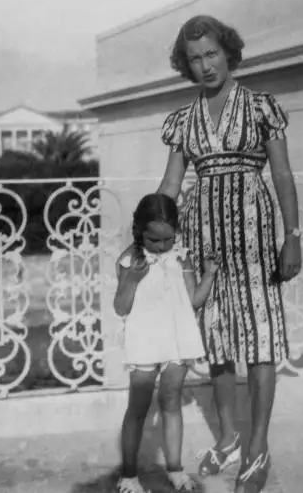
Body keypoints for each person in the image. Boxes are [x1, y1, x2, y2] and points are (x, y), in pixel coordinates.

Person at [157, 15, 302, 492]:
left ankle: (258, 447)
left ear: (228, 52)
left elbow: (281, 175)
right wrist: (149, 237)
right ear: (187, 64)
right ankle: (228, 436)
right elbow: (172, 184)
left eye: (212, 54)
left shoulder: (261, 107)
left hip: (255, 240)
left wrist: (292, 234)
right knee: (216, 339)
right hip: (205, 242)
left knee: (259, 336)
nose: (205, 65)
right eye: (195, 58)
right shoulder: (182, 121)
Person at [113, 193, 221, 493]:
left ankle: (174, 469)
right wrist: (132, 280)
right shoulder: (129, 260)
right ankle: (129, 475)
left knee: (171, 402)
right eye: (154, 240)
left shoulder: (181, 256)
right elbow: (121, 307)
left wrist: (209, 276)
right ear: (139, 231)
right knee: (137, 407)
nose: (161, 247)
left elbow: (193, 302)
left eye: (168, 240)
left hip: (178, 339)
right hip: (145, 340)